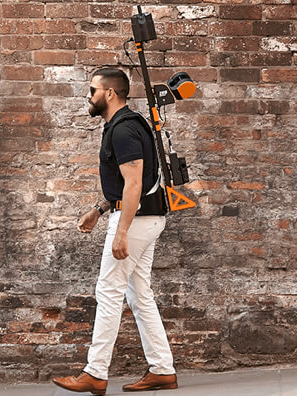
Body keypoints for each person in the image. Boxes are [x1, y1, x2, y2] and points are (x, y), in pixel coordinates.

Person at [52, 68, 178, 395]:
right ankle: (162, 369)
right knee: (139, 295)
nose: (88, 95)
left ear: (109, 93)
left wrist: (121, 232)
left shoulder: (123, 130)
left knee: (108, 291)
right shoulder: (123, 125)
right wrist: (100, 210)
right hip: (143, 218)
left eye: (92, 89)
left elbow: (135, 183)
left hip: (135, 222)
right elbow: (129, 183)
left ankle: (95, 373)